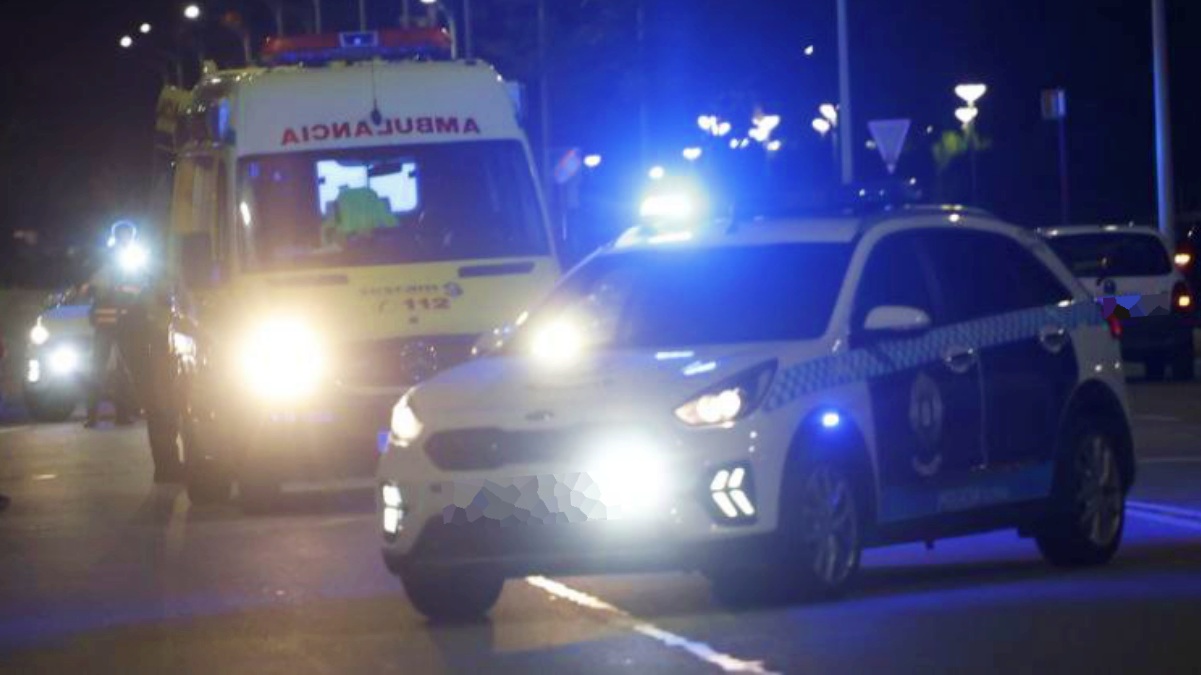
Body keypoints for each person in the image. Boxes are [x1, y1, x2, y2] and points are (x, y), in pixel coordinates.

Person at [85, 221, 150, 428]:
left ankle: (123, 413)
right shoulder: (106, 259)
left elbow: (140, 287)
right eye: (122, 235)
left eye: (128, 235)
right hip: (109, 322)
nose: (125, 238)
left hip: (124, 323)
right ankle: (93, 415)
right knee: (98, 369)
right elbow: (93, 286)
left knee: (124, 370)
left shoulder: (134, 259)